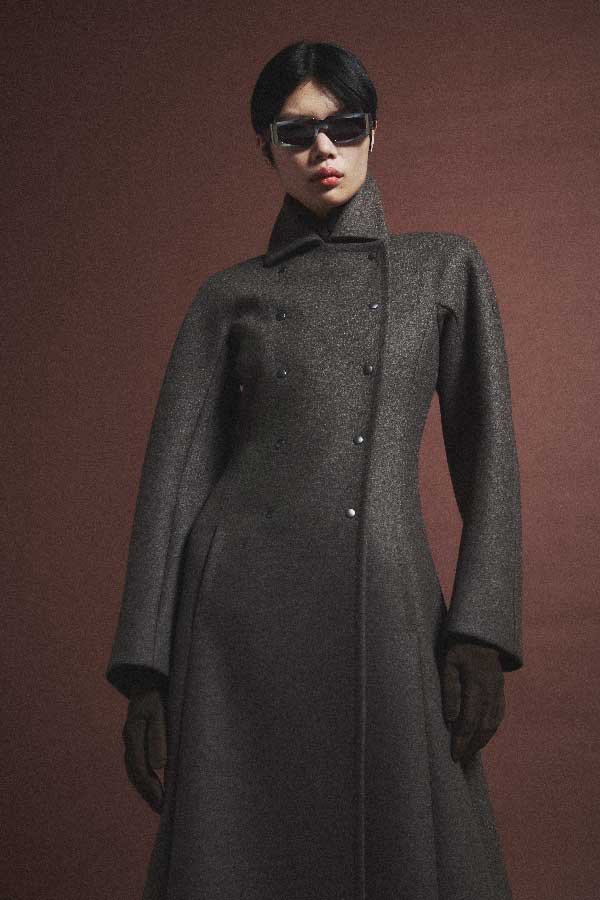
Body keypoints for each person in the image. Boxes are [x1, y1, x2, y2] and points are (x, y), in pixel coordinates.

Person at [107, 41, 523, 900]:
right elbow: (173, 481)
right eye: (295, 134)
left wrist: (481, 631)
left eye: (344, 126)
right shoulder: (228, 297)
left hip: (385, 604)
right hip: (234, 625)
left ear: (374, 131)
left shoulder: (442, 269)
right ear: (267, 147)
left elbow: (489, 459)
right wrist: (146, 671)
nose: (323, 150)